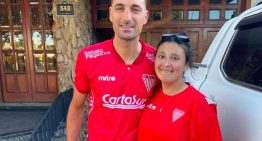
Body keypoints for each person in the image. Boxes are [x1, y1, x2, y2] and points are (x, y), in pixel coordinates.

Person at [66, 0, 158, 141]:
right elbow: (77, 106)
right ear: (110, 14)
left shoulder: (158, 63)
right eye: (119, 8)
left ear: (145, 17)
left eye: (135, 9)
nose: (127, 17)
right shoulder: (88, 57)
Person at [138, 33, 222, 141]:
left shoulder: (199, 104)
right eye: (161, 56)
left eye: (174, 58)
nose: (166, 63)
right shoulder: (152, 92)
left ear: (186, 65)